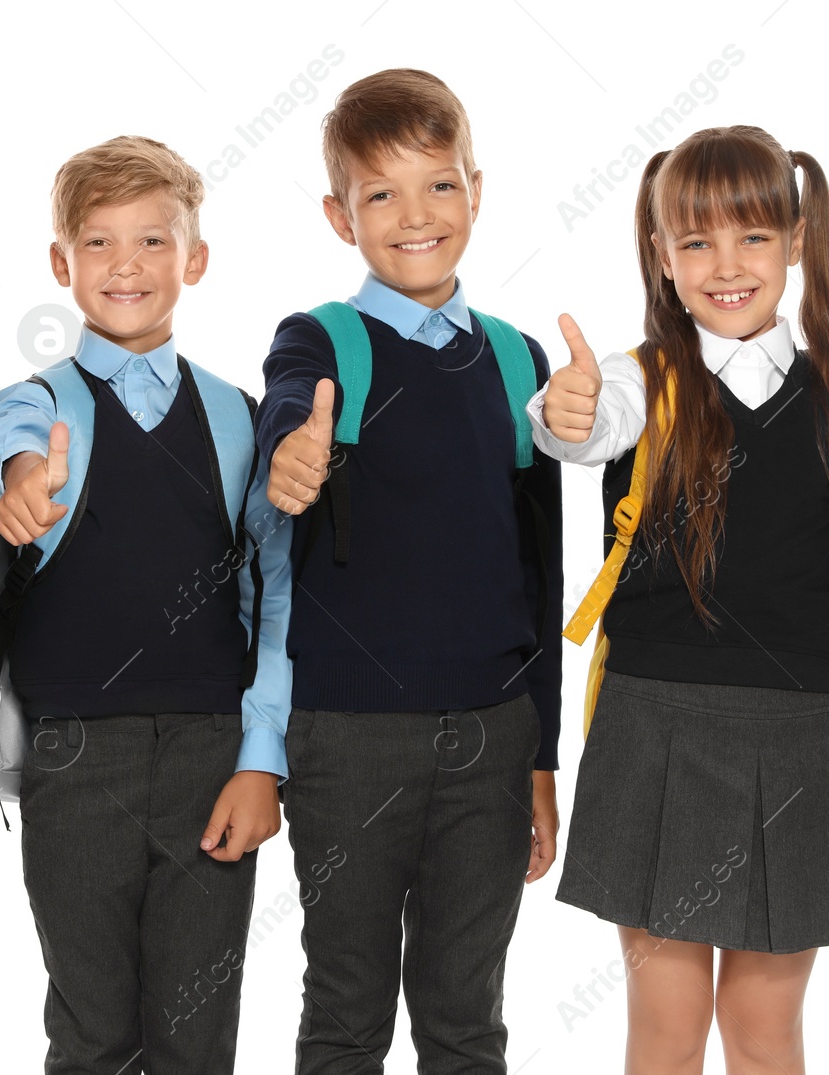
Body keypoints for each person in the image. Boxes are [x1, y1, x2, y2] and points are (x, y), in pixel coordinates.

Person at [533, 125, 829, 1074]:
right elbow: (582, 427)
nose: (725, 265)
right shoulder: (635, 380)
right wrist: (565, 412)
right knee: (664, 1033)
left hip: (796, 731)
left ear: (795, 241)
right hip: (652, 724)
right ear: (662, 257)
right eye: (695, 241)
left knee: (765, 1034)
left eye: (752, 237)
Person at [255, 69, 564, 1073]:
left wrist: (540, 753)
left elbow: (537, 569)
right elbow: (287, 410)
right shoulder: (320, 339)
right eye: (379, 194)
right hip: (347, 741)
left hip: (491, 735)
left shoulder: (518, 362)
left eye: (437, 184)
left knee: (467, 1015)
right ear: (339, 217)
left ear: (477, 188)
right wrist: (288, 458)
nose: (414, 215)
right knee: (345, 1010)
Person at [0, 135, 293, 1075]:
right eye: (101, 244)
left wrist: (262, 760)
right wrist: (26, 479)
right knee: (92, 1031)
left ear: (194, 259)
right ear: (61, 264)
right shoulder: (33, 403)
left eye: (154, 242)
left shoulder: (239, 413)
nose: (127, 266)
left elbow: (275, 598)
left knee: (198, 1036)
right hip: (76, 758)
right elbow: (10, 445)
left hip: (212, 753)